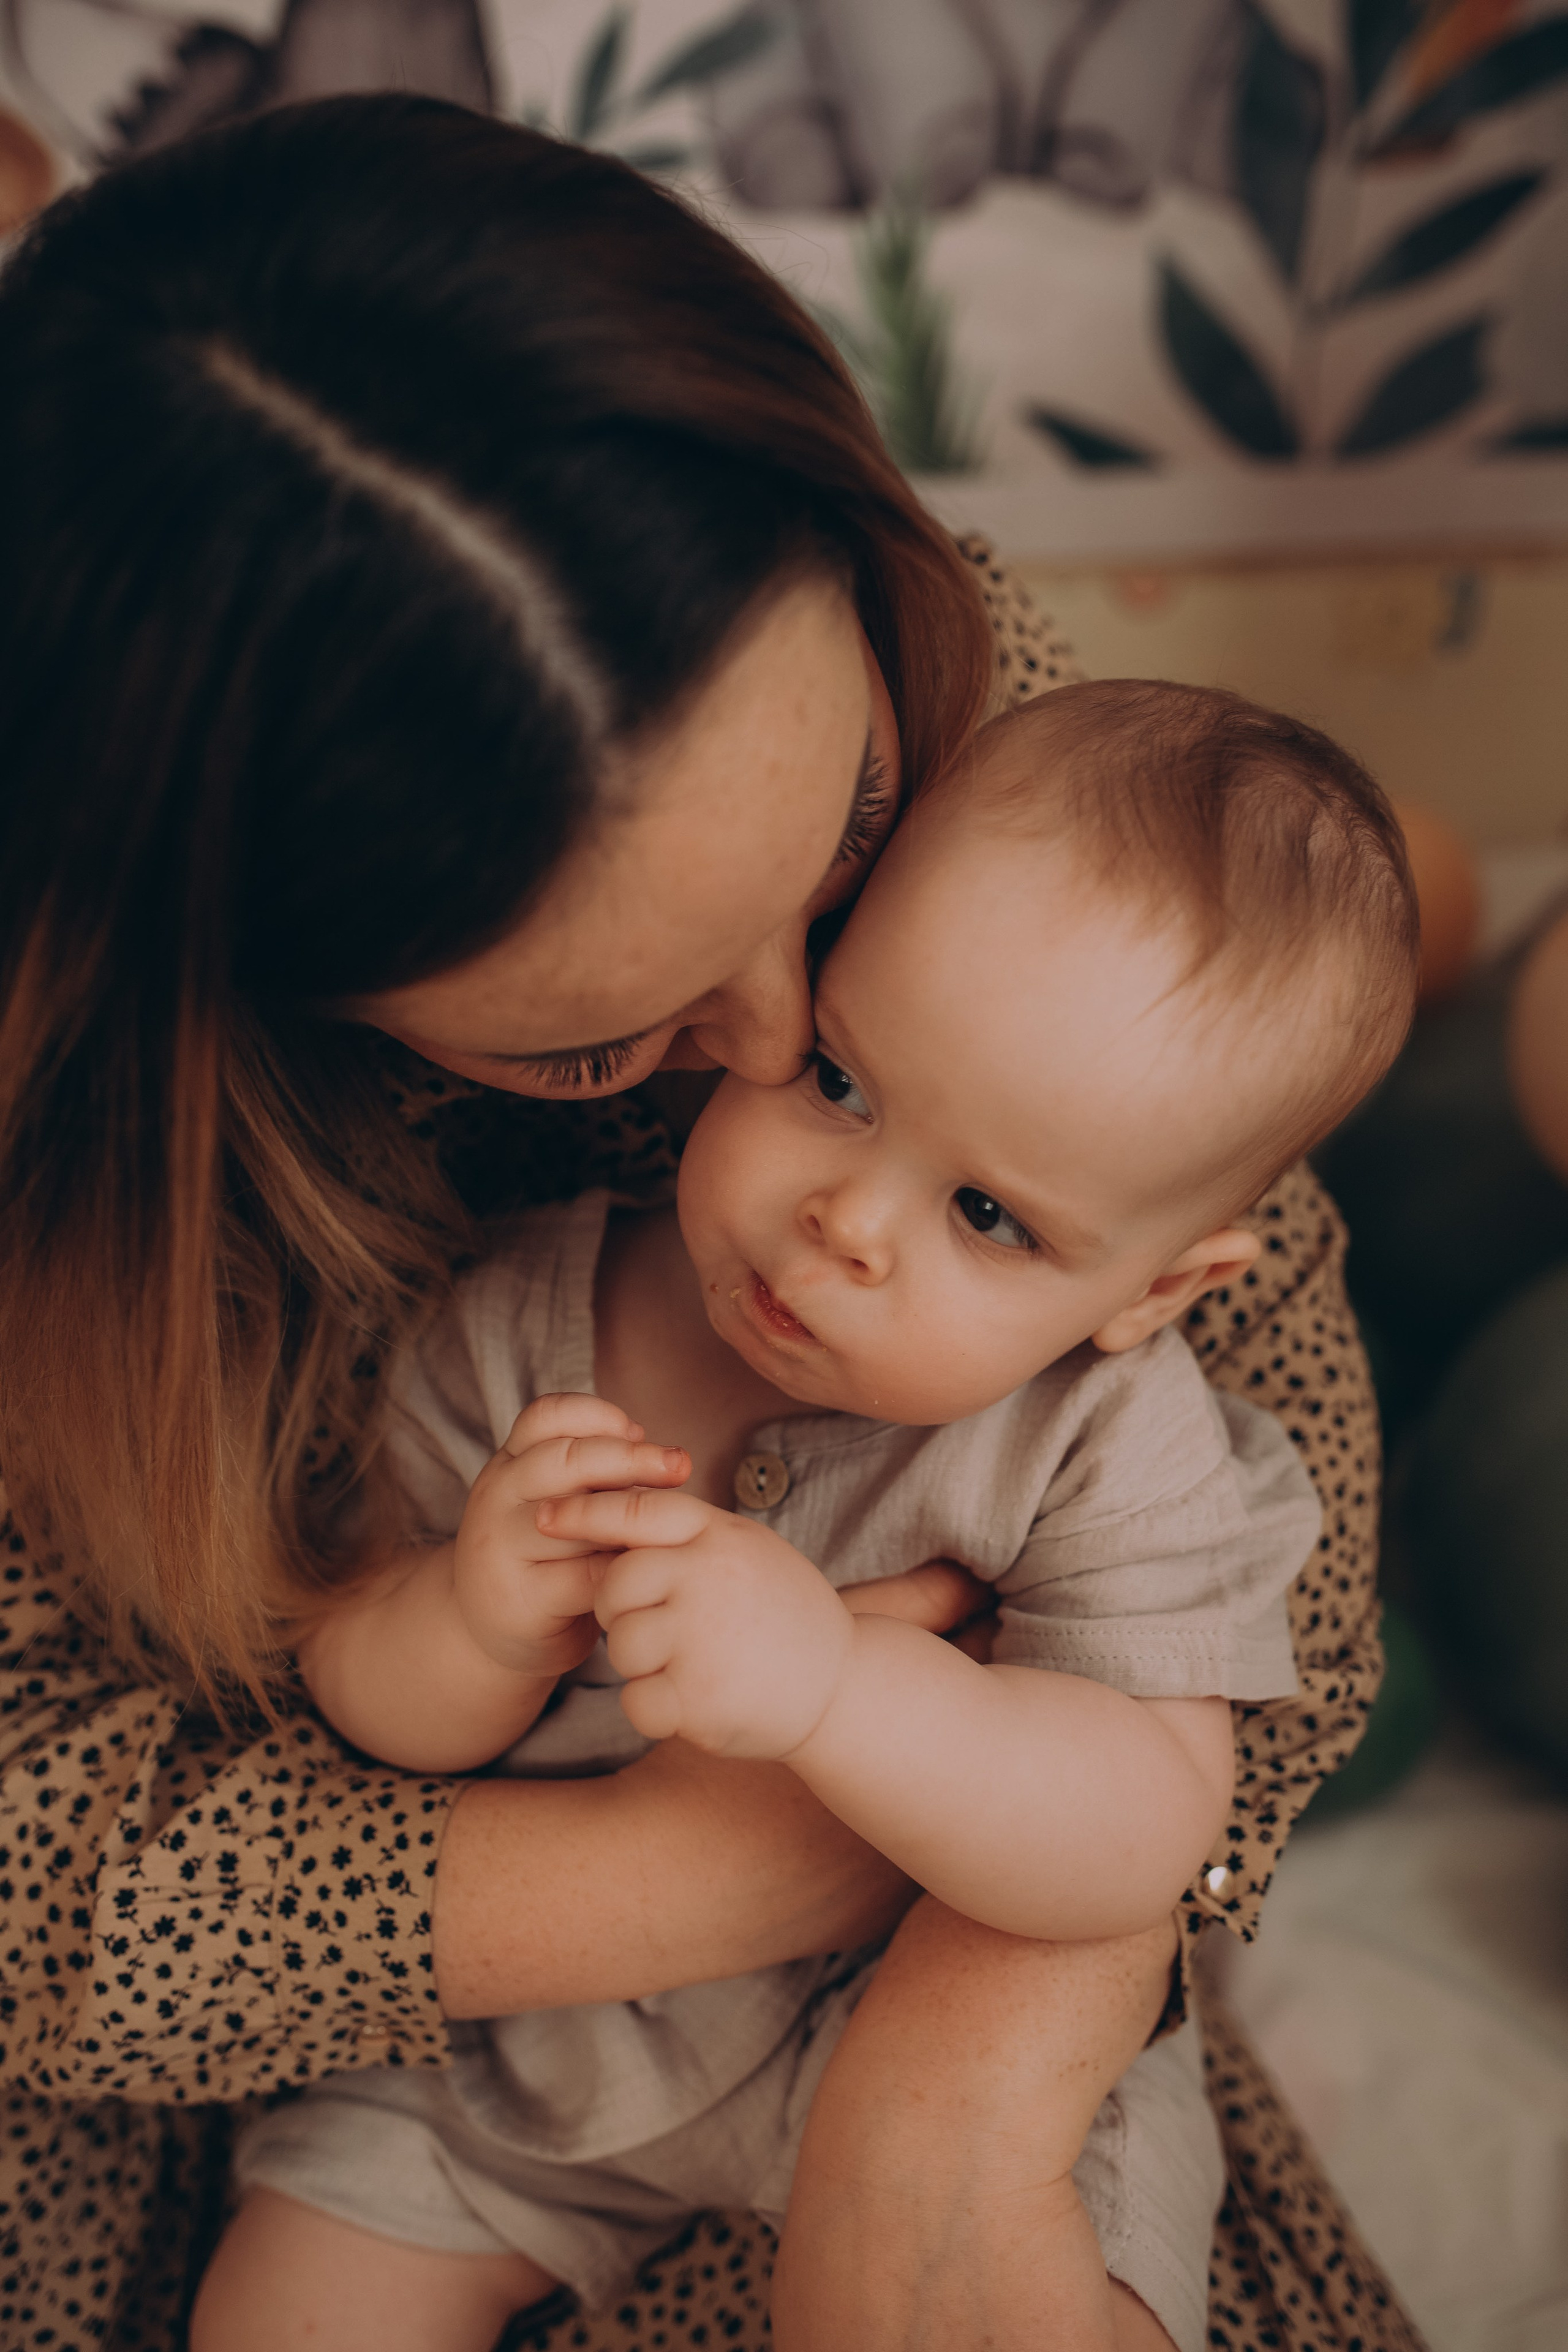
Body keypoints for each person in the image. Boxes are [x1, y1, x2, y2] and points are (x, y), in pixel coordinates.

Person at [0, 95, 1417, 2352]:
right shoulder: (505, 1325)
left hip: (929, 1979)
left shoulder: (981, 747)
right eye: (604, 1042)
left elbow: (1246, 1602)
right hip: (416, 2032)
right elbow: (108, 1840)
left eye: (850, 841)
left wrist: (944, 2096)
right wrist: (629, 1810)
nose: (777, 1065)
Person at [195, 682, 1417, 2352]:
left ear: (1156, 1293)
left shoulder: (1106, 1440)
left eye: (988, 1214)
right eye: (839, 1078)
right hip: (526, 2058)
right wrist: (469, 1623)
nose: (846, 1221)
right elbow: (356, 1689)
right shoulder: (514, 1326)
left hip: (896, 2025)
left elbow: (1143, 1827)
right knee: (287, 2301)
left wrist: (845, 1695)